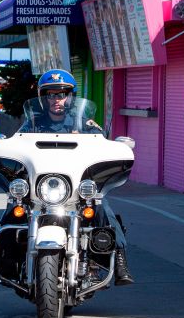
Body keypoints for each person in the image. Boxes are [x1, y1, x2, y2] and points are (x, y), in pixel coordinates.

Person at [22, 68, 134, 285]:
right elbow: (16, 144)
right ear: (42, 98)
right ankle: (9, 253)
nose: (56, 99)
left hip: (76, 186)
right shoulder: (32, 124)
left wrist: (116, 149)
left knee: (102, 207)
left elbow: (104, 147)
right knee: (13, 208)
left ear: (70, 96)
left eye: (62, 94)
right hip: (43, 187)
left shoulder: (84, 124)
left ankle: (119, 259)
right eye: (51, 94)